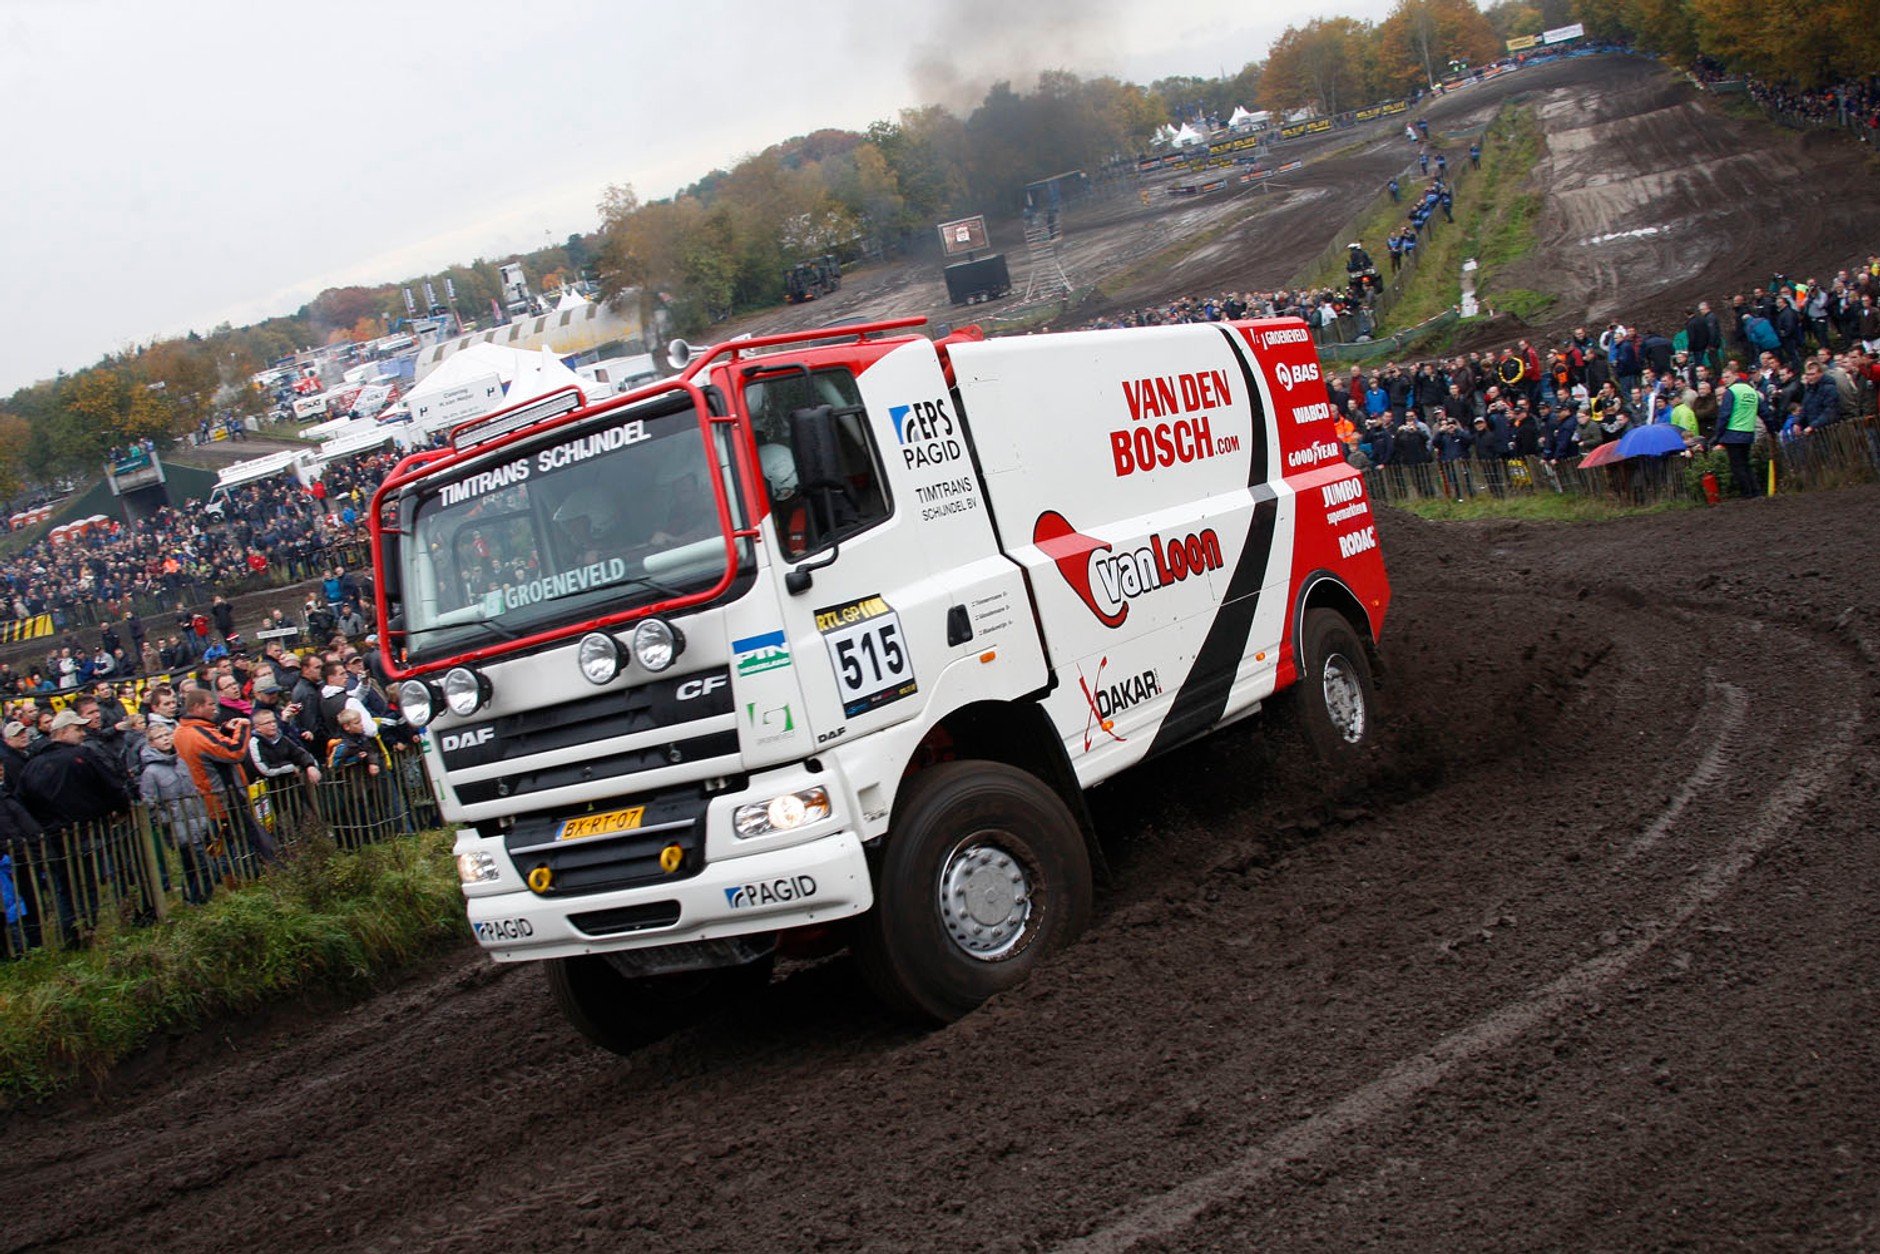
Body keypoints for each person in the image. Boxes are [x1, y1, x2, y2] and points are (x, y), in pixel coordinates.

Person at [139, 721, 220, 905]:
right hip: (178, 827)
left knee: (191, 865)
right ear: (151, 743)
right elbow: (150, 804)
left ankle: (190, 898)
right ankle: (200, 900)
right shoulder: (151, 773)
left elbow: (192, 791)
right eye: (159, 737)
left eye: (167, 735)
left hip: (196, 820)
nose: (165, 739)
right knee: (204, 867)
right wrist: (168, 820)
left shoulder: (180, 762)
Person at [1711, 365, 1762, 499]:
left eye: (1727, 377)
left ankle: (1746, 493)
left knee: (1737, 466)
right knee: (1746, 463)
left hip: (1733, 433)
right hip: (1748, 432)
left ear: (1735, 375)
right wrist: (1772, 427)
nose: (1725, 380)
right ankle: (1755, 491)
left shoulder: (1731, 391)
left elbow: (1724, 415)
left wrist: (1718, 435)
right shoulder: (1751, 390)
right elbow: (1763, 410)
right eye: (1723, 377)